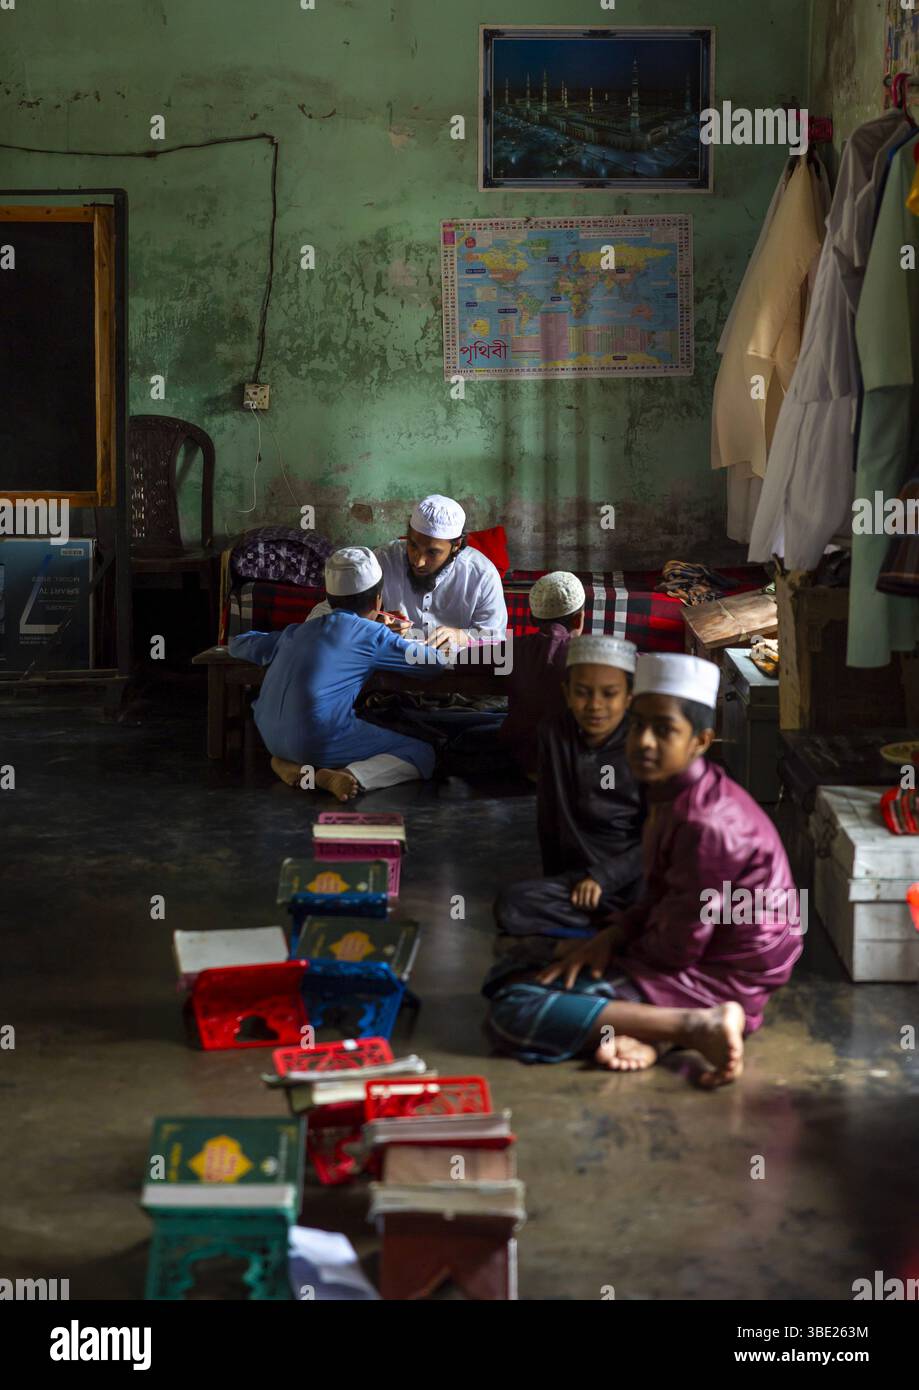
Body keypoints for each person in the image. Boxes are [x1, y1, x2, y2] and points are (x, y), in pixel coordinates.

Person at [484, 653, 803, 1088]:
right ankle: (654, 1031)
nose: (644, 741)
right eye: (637, 725)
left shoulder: (708, 823)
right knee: (511, 966)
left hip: (721, 973)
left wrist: (615, 956)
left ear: (702, 740)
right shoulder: (673, 792)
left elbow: (677, 947)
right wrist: (610, 938)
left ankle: (692, 1026)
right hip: (690, 951)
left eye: (664, 729)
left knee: (514, 1008)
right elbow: (658, 895)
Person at [229, 546, 447, 800]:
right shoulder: (373, 634)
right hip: (314, 740)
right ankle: (343, 774)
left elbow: (238, 644)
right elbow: (433, 665)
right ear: (378, 599)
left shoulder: (297, 631)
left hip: (268, 735)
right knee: (422, 753)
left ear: (329, 598)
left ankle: (294, 768)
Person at [493, 634, 644, 944]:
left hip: (635, 876)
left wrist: (604, 877)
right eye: (583, 693)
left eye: (609, 694)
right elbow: (549, 817)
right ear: (567, 692)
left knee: (672, 904)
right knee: (512, 906)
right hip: (579, 879)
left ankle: (623, 925)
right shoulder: (554, 733)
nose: (595, 706)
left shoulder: (644, 745)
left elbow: (661, 836)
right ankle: (625, 927)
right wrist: (559, 883)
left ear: (629, 697)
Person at [308, 494, 508, 650]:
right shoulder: (382, 561)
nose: (418, 561)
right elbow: (321, 617)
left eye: (432, 552)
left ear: (456, 546)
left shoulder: (482, 575)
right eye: (412, 545)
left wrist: (461, 637)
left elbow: (497, 641)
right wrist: (370, 627)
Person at [497, 571, 586, 777]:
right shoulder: (597, 656)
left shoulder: (510, 650)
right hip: (571, 768)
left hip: (519, 763)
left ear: (531, 618)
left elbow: (463, 659)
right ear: (578, 619)